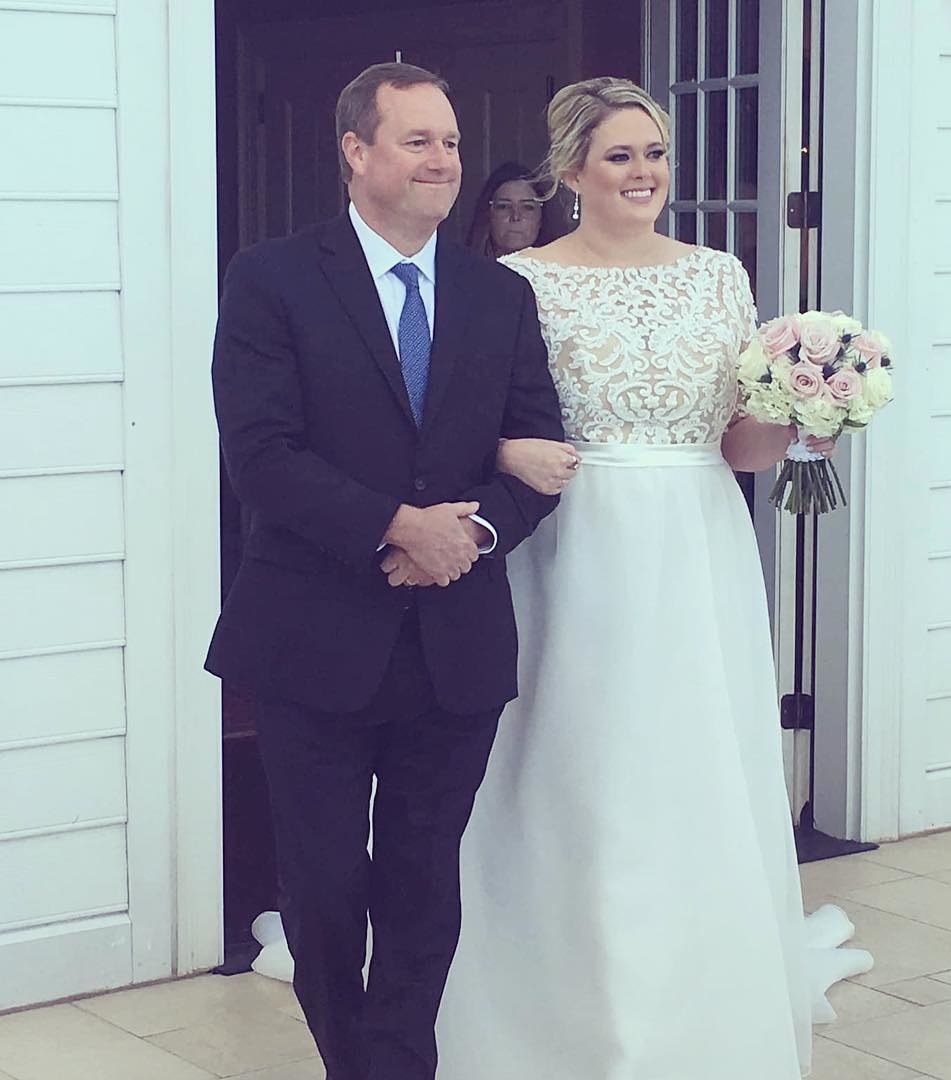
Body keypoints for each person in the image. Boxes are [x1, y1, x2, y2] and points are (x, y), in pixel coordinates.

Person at [435, 77, 872, 1079]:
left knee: (692, 759)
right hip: (571, 546)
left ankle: (700, 995)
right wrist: (508, 458)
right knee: (575, 765)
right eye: (622, 154)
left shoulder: (719, 275)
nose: (646, 173)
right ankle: (560, 1003)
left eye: (658, 153)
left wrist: (814, 412)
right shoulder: (520, 281)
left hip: (696, 547)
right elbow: (476, 422)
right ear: (571, 170)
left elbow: (741, 446)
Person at [205, 62, 564, 1080]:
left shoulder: (501, 296)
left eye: (449, 140)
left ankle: (398, 1063)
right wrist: (399, 527)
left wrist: (472, 536)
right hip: (311, 636)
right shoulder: (272, 278)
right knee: (322, 885)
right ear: (355, 152)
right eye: (417, 139)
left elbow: (538, 453)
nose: (442, 158)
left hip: (453, 641)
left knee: (421, 878)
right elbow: (263, 459)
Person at [464, 161, 545, 258]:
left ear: (541, 218)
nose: (515, 216)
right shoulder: (464, 268)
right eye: (504, 206)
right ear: (488, 214)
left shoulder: (558, 269)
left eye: (527, 207)